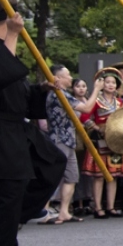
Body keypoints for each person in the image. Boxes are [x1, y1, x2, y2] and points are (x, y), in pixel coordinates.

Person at [0, 0, 65, 246]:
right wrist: (11, 34)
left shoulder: (5, 49)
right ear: (9, 18)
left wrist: (40, 89)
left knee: (53, 160)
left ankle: (24, 210)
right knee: (10, 187)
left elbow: (17, 93)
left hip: (16, 126)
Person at [42, 64, 93, 224]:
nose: (71, 78)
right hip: (59, 139)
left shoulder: (63, 93)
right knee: (54, 176)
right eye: (68, 75)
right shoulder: (58, 94)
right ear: (58, 78)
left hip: (69, 139)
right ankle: (44, 211)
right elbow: (86, 108)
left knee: (72, 176)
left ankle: (64, 211)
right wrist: (97, 88)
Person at [82, 68, 123, 218]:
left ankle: (111, 207)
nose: (110, 85)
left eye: (113, 83)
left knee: (114, 175)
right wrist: (97, 128)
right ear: (102, 84)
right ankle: (98, 208)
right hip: (100, 141)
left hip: (116, 144)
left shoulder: (120, 103)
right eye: (107, 82)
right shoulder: (96, 101)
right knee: (99, 175)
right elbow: (84, 117)